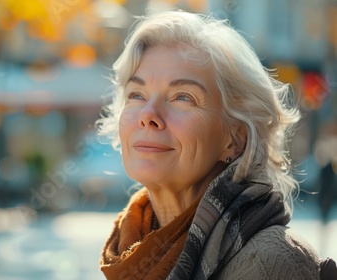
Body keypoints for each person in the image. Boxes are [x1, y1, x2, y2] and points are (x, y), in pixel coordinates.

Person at [97, 10, 332, 279]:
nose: (148, 115)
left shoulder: (270, 264)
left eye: (182, 97)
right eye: (136, 94)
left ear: (236, 138)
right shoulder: (128, 252)